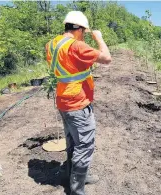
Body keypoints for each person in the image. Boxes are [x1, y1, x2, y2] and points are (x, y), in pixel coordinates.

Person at [45, 11, 111, 195]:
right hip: (78, 104)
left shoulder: (52, 44)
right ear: (80, 29)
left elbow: (69, 66)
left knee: (73, 142)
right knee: (84, 146)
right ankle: (77, 190)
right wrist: (99, 38)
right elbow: (107, 58)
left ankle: (71, 175)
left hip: (63, 101)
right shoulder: (77, 46)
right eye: (84, 31)